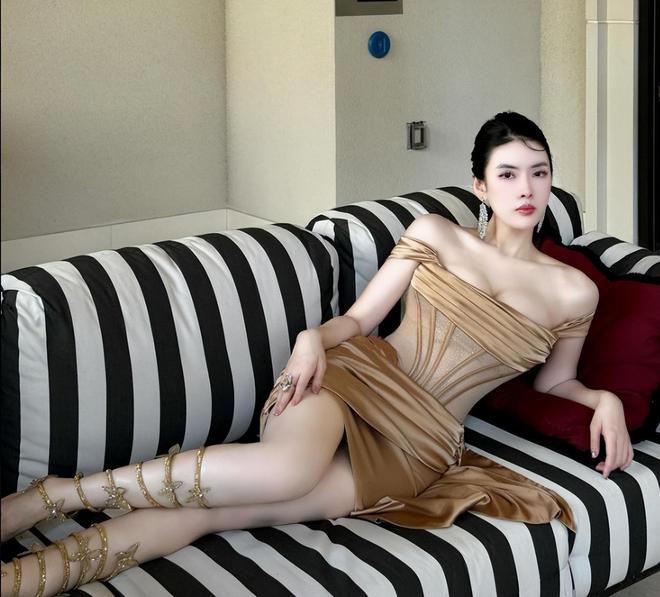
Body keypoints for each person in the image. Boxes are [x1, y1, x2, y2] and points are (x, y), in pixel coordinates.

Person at [0, 111, 633, 596]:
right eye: (509, 173)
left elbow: (554, 383)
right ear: (481, 185)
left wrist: (603, 400)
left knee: (211, 515)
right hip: (355, 378)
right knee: (285, 470)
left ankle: (22, 580)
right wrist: (310, 340)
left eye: (539, 172)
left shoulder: (573, 291)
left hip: (423, 446)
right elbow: (360, 320)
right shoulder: (436, 234)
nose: (527, 188)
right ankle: (56, 496)